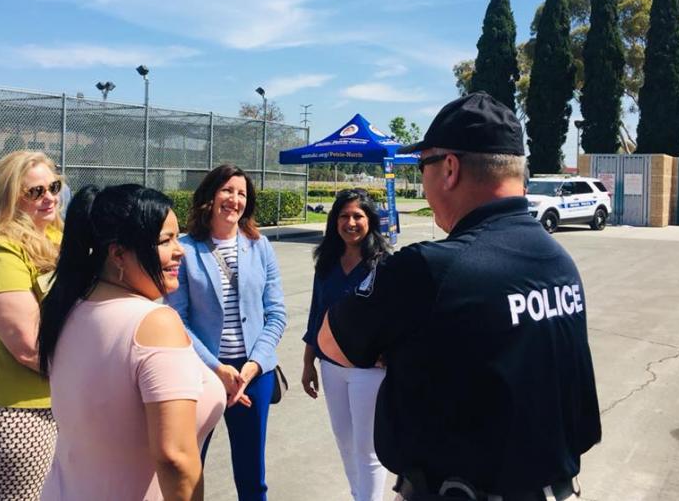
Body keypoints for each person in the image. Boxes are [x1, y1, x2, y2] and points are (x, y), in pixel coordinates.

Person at [318, 92, 601, 501]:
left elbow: (333, 341)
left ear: (449, 168)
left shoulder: (429, 269)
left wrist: (393, 349)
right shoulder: (560, 262)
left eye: (422, 166)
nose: (424, 181)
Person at [38, 185, 226, 501]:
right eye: (165, 240)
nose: (180, 250)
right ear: (118, 254)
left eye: (177, 237)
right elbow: (175, 457)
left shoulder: (68, 308)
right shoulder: (155, 323)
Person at [165, 164, 287, 501]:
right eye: (227, 191)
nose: (234, 199)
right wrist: (216, 369)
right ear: (210, 195)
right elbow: (177, 318)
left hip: (253, 375)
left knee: (252, 475)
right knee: (190, 469)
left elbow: (276, 314)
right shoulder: (186, 249)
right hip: (201, 373)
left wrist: (250, 368)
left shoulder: (260, 246)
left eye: (242, 194)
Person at [0, 151, 64, 501]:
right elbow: (28, 346)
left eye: (54, 186)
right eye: (34, 192)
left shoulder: (60, 240)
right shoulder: (2, 254)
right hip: (14, 410)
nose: (48, 197)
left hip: (59, 401)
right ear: (10, 197)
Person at [301, 188, 391, 501]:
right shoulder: (326, 262)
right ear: (334, 221)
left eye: (358, 216)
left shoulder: (384, 264)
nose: (350, 222)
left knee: (367, 450)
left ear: (371, 221)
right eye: (343, 216)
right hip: (331, 368)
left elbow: (400, 316)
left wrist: (391, 353)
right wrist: (307, 363)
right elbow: (316, 313)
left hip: (369, 371)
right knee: (346, 444)